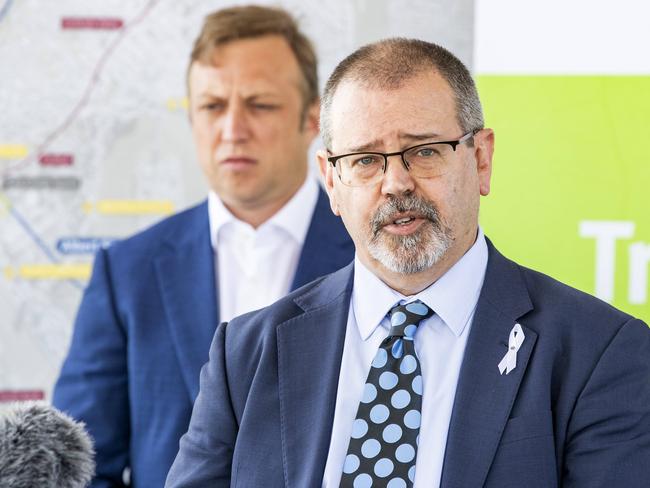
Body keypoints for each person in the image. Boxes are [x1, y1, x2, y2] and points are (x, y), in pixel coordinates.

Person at [165, 37, 650, 488]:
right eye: (365, 160)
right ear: (331, 182)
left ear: (481, 159)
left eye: (424, 151)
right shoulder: (245, 356)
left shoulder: (601, 353)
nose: (396, 184)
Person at [53, 6, 354, 487]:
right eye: (213, 106)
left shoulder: (376, 259)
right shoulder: (127, 273)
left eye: (260, 104)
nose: (233, 129)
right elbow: (81, 468)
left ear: (312, 119)